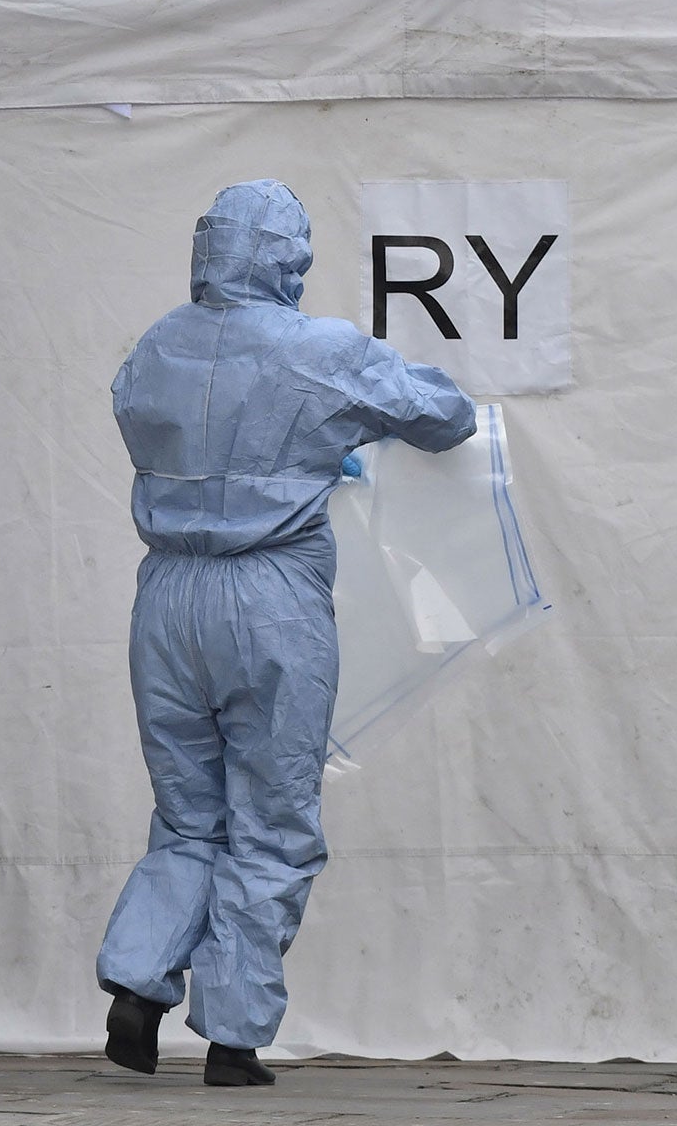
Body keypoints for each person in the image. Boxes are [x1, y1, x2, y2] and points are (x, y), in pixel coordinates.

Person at [97, 181, 476, 1089]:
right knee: (271, 820)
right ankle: (233, 1037)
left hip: (166, 598)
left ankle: (137, 987)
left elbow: (154, 427)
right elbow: (443, 415)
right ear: (287, 260)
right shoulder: (320, 350)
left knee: (190, 817)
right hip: (269, 595)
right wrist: (319, 447)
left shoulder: (155, 344)